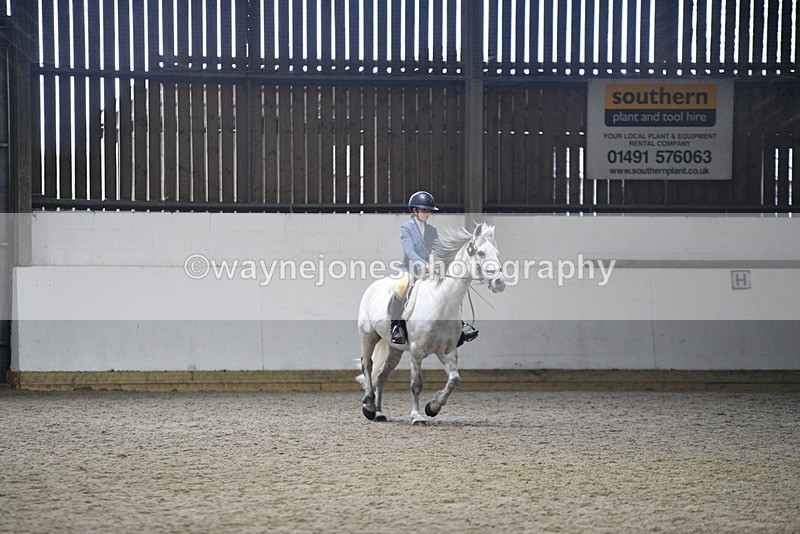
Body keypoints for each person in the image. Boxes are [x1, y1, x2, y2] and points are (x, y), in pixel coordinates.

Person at [388, 191, 479, 347]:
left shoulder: (432, 231)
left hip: (428, 269)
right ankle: (395, 326)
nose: (427, 213)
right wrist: (425, 264)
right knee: (401, 286)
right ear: (415, 210)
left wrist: (437, 264)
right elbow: (410, 252)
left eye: (428, 210)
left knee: (448, 288)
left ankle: (458, 327)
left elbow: (435, 251)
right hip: (409, 268)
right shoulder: (406, 228)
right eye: (424, 210)